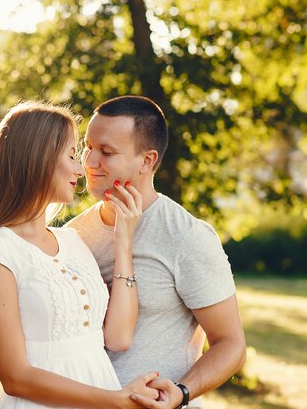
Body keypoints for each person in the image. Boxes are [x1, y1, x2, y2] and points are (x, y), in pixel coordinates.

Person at [0, 100, 170, 408]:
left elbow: (119, 336)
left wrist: (124, 240)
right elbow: (15, 377)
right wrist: (115, 400)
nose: (80, 169)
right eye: (72, 155)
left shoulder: (72, 241)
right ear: (37, 157)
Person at [66, 96, 246, 409]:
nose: (90, 161)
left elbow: (231, 344)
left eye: (106, 152)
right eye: (88, 146)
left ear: (147, 160)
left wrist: (183, 391)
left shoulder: (187, 236)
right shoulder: (73, 234)